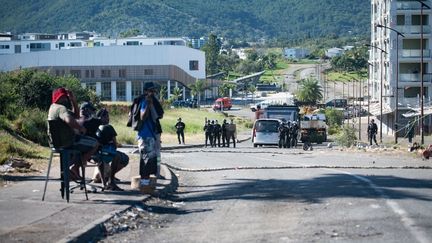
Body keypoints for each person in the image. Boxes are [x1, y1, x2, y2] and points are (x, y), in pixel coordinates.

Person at [47, 87, 99, 179]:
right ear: (58, 98)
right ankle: (75, 167)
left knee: (81, 142)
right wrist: (81, 128)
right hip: (67, 143)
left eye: (65, 98)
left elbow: (76, 116)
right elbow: (69, 120)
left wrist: (73, 101)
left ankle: (72, 171)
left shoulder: (53, 107)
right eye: (63, 97)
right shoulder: (61, 108)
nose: (65, 99)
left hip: (56, 144)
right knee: (95, 144)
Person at [92, 108, 129, 191]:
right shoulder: (109, 127)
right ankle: (111, 181)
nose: (108, 118)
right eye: (106, 116)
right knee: (118, 157)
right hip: (106, 153)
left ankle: (104, 183)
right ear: (101, 118)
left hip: (95, 154)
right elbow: (115, 144)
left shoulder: (95, 127)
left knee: (101, 160)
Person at [137, 82, 160, 187]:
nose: (153, 93)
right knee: (145, 160)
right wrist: (147, 104)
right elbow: (142, 117)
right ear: (146, 91)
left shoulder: (151, 102)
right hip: (145, 136)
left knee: (150, 160)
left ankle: (146, 182)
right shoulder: (144, 102)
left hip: (151, 135)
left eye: (153, 91)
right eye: (150, 91)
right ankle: (144, 183)